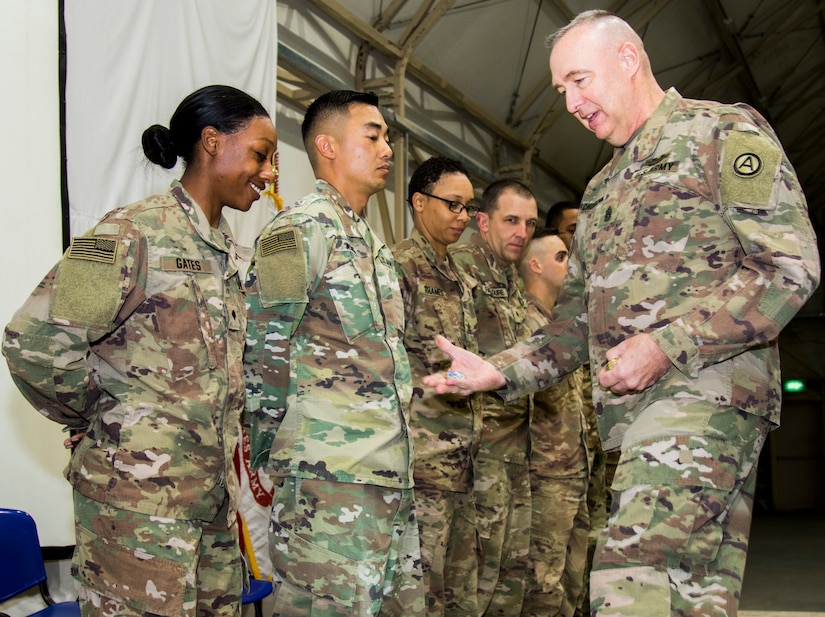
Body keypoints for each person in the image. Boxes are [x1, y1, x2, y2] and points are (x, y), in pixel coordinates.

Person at [423, 10, 820, 617]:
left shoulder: (717, 133)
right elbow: (574, 326)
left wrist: (665, 345)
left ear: (629, 60)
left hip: (704, 397)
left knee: (627, 581)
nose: (572, 103)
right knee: (692, 597)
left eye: (580, 80)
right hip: (636, 421)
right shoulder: (604, 187)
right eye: (561, 91)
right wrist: (499, 371)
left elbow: (787, 267)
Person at [2, 85, 277, 616]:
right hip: (138, 515)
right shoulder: (129, 233)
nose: (268, 173)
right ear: (212, 142)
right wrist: (103, 418)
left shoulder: (225, 252)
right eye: (260, 155)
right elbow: (34, 343)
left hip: (211, 509)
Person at [243, 90, 424, 617]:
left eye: (388, 137)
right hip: (327, 480)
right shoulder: (297, 230)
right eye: (373, 135)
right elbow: (263, 345)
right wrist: (278, 449)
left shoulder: (372, 243)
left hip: (388, 476)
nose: (387, 148)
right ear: (327, 145)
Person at [392, 156, 481, 616]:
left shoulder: (459, 274)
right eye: (453, 205)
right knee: (421, 590)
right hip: (423, 463)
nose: (463, 217)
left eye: (468, 207)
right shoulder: (400, 268)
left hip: (463, 458)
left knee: (460, 589)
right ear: (419, 202)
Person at [450, 179, 538, 616]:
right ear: (483, 222)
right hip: (479, 452)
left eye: (530, 224)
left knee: (511, 572)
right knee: (475, 578)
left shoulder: (510, 276)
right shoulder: (460, 269)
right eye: (511, 221)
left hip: (514, 451)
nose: (522, 232)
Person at [517, 229, 590, 617]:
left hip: (574, 471)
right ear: (536, 265)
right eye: (562, 257)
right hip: (544, 475)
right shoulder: (522, 322)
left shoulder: (566, 327)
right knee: (543, 587)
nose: (570, 264)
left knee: (574, 586)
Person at [547, 199, 615, 617]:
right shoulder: (553, 309)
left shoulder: (602, 293)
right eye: (570, 232)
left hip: (599, 456)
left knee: (601, 554)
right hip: (561, 463)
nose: (577, 240)